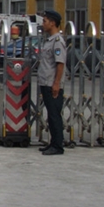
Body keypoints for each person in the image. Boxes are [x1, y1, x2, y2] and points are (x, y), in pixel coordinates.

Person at [37, 9, 67, 156]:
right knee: (51, 114)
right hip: (45, 82)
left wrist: (56, 84)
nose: (43, 24)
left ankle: (58, 146)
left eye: (45, 21)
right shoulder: (49, 41)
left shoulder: (57, 41)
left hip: (51, 84)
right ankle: (53, 142)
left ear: (53, 23)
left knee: (55, 115)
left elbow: (60, 64)